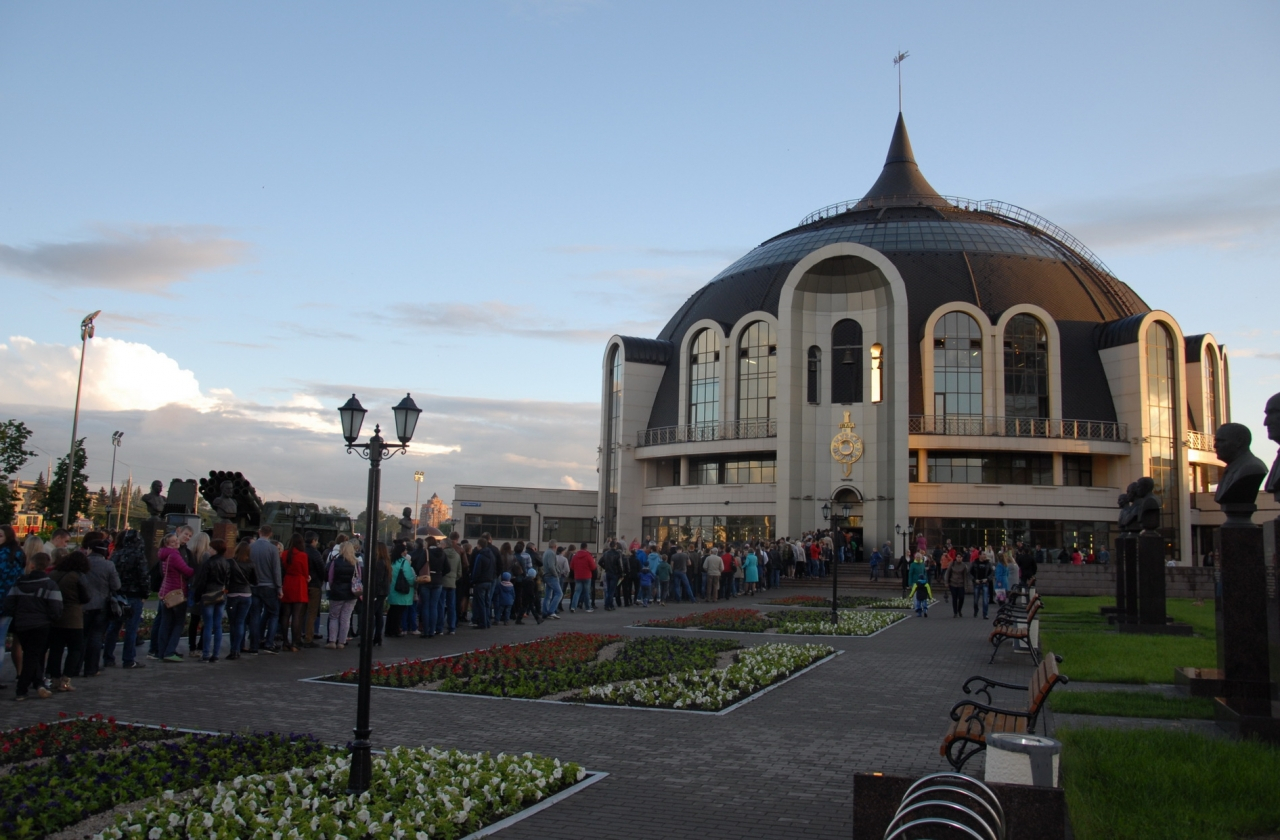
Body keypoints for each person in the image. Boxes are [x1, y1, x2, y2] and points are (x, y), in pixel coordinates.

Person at [3, 551, 60, 699]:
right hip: (41, 624)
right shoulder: (49, 585)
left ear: (32, 565)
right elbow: (56, 608)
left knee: (30, 653)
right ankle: (22, 689)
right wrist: (52, 619)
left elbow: (8, 604)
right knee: (33, 656)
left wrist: (17, 614)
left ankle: (38, 683)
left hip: (22, 624)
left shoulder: (19, 583)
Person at [47, 550, 92, 690]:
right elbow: (86, 597)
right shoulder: (77, 576)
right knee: (75, 649)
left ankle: (54, 678)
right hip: (73, 617)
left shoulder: (53, 574)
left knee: (55, 649)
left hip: (55, 616)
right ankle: (66, 679)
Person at [80, 532, 120, 677]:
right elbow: (116, 585)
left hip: (84, 604)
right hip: (102, 605)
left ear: (90, 550)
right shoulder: (108, 565)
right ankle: (92, 668)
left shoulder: (83, 563)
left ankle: (75, 667)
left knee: (82, 637)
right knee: (96, 636)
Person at [190, 539, 232, 662]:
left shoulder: (208, 563)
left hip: (208, 595)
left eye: (211, 548)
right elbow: (227, 581)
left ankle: (206, 654)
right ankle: (216, 654)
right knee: (218, 625)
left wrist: (197, 597)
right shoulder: (226, 563)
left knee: (208, 625)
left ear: (215, 550)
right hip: (220, 594)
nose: (208, 550)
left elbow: (202, 581)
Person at [0, 525, 27, 689]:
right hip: (11, 602)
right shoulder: (18, 554)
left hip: (4, 601)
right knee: (2, 641)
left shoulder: (3, 554)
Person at [249, 526, 283, 655]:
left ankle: (254, 645)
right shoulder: (273, 549)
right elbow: (276, 570)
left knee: (255, 615)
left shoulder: (251, 547)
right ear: (271, 534)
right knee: (274, 614)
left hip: (253, 586)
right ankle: (269, 643)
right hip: (269, 586)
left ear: (259, 532)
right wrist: (279, 588)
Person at [326, 541, 361, 649]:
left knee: (334, 617)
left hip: (337, 592)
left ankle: (332, 641)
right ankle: (342, 641)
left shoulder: (335, 562)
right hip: (351, 593)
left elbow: (330, 578)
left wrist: (333, 587)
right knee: (346, 618)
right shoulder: (356, 563)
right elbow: (359, 577)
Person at [279, 534, 310, 652]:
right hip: (299, 583)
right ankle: (295, 643)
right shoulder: (302, 555)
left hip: (288, 582)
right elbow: (305, 572)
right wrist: (307, 578)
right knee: (297, 615)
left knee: (285, 614)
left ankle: (285, 641)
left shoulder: (285, 554)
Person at [225, 541, 256, 659]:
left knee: (233, 623)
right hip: (246, 594)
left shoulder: (230, 562)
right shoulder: (251, 563)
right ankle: (237, 648)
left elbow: (226, 578)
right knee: (240, 622)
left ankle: (233, 649)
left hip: (233, 594)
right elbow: (255, 581)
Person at [386, 543, 416, 637]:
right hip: (402, 591)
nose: (406, 552)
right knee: (398, 613)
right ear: (401, 552)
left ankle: (388, 630)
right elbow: (409, 577)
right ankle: (395, 630)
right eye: (405, 550)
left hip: (392, 589)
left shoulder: (391, 561)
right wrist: (414, 583)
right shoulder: (404, 562)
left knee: (392, 611)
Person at [303, 532, 326, 647]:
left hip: (303, 584)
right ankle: (308, 637)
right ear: (314, 540)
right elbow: (321, 569)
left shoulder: (302, 551)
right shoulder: (315, 553)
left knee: (301, 612)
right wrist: (322, 579)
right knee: (312, 613)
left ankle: (298, 635)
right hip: (314, 585)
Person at [470, 537, 497, 629]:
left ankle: (482, 623)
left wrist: (473, 580)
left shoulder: (480, 556)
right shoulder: (491, 555)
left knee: (480, 603)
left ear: (479, 545)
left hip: (481, 582)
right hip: (489, 581)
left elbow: (476, 570)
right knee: (487, 602)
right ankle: (487, 622)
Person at [439, 533, 461, 635]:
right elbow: (459, 572)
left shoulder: (442, 554)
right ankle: (452, 627)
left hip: (443, 582)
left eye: (441, 544)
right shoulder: (457, 555)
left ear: (444, 545)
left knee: (441, 605)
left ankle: (439, 628)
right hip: (452, 583)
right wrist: (454, 578)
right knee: (452, 606)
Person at [569, 542, 597, 613]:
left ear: (580, 547)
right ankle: (588, 607)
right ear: (586, 547)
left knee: (577, 592)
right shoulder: (588, 555)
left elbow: (571, 566)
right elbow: (593, 567)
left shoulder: (575, 556)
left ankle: (573, 607)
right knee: (586, 592)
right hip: (587, 576)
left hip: (578, 576)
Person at [541, 541, 563, 618]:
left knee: (548, 595)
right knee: (559, 593)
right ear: (555, 546)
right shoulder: (551, 553)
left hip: (546, 575)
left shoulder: (546, 552)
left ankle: (545, 611)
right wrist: (556, 574)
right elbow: (551, 566)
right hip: (551, 576)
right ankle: (551, 611)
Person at [599, 541, 623, 611]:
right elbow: (620, 565)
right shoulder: (617, 554)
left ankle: (610, 604)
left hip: (608, 573)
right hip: (614, 573)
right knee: (612, 591)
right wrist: (621, 573)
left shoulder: (606, 553)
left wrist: (605, 567)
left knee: (609, 589)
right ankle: (608, 605)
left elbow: (600, 562)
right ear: (615, 546)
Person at [945, 550, 969, 618]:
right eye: (958, 557)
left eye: (960, 557)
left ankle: (959, 610)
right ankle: (955, 612)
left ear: (962, 558)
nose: (959, 558)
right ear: (956, 558)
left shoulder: (964, 566)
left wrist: (966, 586)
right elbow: (948, 573)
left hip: (961, 584)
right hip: (953, 583)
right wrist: (946, 582)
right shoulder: (952, 564)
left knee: (961, 597)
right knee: (954, 598)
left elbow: (965, 576)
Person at [970, 550, 992, 619]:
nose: (985, 556)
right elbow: (970, 573)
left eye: (985, 554)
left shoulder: (988, 563)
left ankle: (985, 614)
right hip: (977, 583)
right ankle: (976, 610)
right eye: (983, 554)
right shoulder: (975, 563)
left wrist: (987, 579)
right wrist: (974, 580)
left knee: (985, 600)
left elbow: (991, 573)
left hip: (985, 583)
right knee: (976, 600)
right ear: (979, 555)